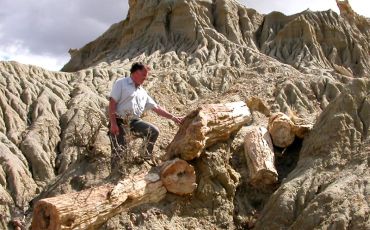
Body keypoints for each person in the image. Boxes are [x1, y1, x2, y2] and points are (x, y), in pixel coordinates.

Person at [108, 62, 183, 163]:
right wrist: (113, 123)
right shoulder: (121, 83)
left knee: (153, 131)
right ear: (135, 72)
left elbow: (156, 108)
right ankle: (114, 176)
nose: (146, 76)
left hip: (134, 122)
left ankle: (143, 158)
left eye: (146, 74)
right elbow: (112, 103)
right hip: (119, 122)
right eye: (144, 73)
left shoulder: (142, 92)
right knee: (119, 154)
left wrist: (174, 118)